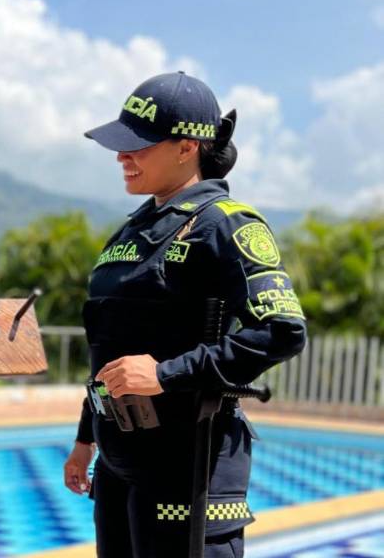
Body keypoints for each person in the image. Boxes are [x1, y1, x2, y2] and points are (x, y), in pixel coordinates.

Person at [63, 72, 307, 557]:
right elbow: (109, 345)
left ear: (186, 147)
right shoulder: (131, 231)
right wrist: (86, 437)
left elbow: (281, 331)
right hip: (118, 463)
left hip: (190, 465)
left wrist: (164, 374)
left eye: (138, 145)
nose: (121, 157)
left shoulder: (225, 223)